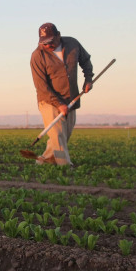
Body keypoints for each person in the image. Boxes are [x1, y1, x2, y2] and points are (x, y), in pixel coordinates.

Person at [30, 22, 93, 166]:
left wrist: (88, 79)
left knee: (63, 136)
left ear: (58, 35)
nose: (47, 46)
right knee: (58, 135)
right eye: (44, 43)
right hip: (49, 100)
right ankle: (65, 167)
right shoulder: (37, 56)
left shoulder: (72, 43)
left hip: (71, 98)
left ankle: (43, 162)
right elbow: (41, 86)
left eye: (50, 42)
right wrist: (59, 104)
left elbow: (86, 61)